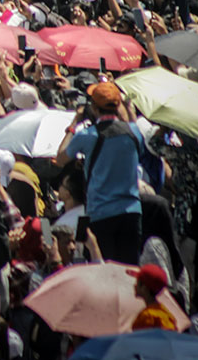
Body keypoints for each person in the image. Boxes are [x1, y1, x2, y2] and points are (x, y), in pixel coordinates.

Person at [57, 82, 145, 264]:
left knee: (103, 270)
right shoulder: (134, 132)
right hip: (131, 212)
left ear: (94, 108)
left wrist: (74, 123)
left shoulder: (88, 135)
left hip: (101, 214)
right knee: (130, 271)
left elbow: (60, 158)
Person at [131, 264, 177, 330]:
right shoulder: (167, 315)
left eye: (137, 283)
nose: (134, 285)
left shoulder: (146, 317)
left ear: (144, 288)